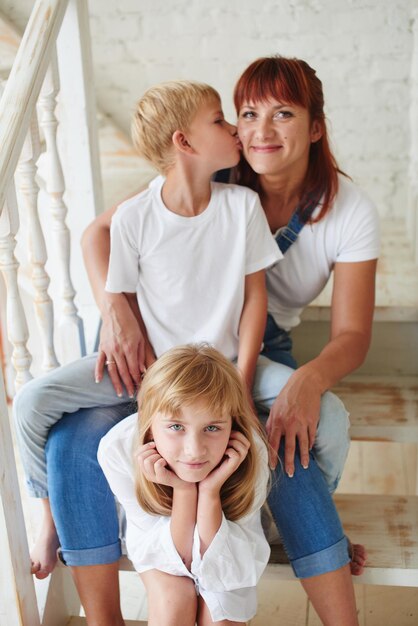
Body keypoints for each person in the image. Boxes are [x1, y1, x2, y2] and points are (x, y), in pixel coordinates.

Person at [13, 55, 379, 626]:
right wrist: (116, 308)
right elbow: (102, 233)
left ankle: (283, 516)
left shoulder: (263, 203)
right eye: (242, 114)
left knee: (304, 435)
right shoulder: (208, 173)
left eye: (283, 113)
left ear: (315, 127)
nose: (253, 130)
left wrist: (276, 378)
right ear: (192, 138)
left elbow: (344, 331)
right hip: (158, 352)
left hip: (240, 348)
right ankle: (58, 531)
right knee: (62, 432)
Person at [98, 343, 271, 626]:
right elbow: (176, 556)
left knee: (222, 616)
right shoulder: (117, 449)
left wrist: (211, 492)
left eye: (212, 428)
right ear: (149, 422)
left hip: (232, 541)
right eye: (176, 427)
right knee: (173, 606)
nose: (194, 450)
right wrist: (184, 490)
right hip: (158, 540)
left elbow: (231, 567)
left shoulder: (252, 451)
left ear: (233, 425)